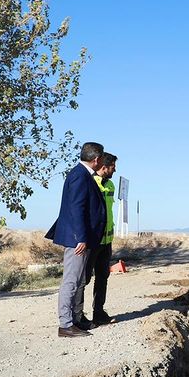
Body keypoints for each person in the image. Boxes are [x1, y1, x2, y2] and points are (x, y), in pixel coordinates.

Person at [46, 142, 106, 337]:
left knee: (78, 280)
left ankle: (75, 320)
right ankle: (65, 324)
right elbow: (76, 208)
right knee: (71, 281)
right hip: (77, 240)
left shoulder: (83, 175)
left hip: (83, 239)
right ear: (96, 159)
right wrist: (80, 238)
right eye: (102, 158)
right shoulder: (80, 176)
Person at [85, 152, 117, 325]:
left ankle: (99, 312)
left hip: (106, 241)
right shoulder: (90, 183)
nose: (115, 170)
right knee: (84, 279)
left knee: (103, 276)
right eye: (113, 167)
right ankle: (78, 315)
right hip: (93, 241)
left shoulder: (111, 185)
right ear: (104, 166)